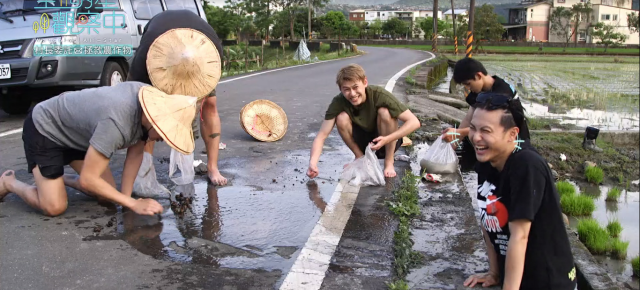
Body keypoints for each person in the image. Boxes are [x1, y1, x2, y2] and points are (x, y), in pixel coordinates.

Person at [0, 82, 199, 217]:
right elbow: (88, 179)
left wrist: (126, 199)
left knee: (107, 194)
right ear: (155, 121)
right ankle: (9, 183)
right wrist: (133, 204)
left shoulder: (152, 103)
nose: (164, 140)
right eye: (165, 134)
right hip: (45, 128)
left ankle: (58, 179)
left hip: (80, 134)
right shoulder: (116, 123)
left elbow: (136, 152)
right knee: (54, 207)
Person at [463, 92, 577, 290]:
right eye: (473, 128)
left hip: (547, 283)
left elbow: (520, 236)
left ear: (512, 135)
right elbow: (488, 219)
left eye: (486, 130)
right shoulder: (487, 160)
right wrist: (494, 273)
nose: (476, 137)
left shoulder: (527, 165)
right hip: (516, 279)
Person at [127, 10, 227, 186]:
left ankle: (212, 167)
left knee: (210, 104)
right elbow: (140, 108)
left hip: (198, 52)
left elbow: (206, 105)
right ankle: (145, 169)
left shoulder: (211, 52)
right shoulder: (146, 60)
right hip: (160, 50)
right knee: (146, 111)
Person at [306, 64, 421, 178]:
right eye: (346, 89)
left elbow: (414, 122)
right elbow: (321, 135)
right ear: (340, 89)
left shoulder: (379, 95)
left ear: (365, 82)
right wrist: (312, 163)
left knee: (385, 112)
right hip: (363, 145)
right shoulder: (338, 102)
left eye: (355, 87)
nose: (352, 94)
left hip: (386, 142)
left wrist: (387, 139)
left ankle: (389, 161)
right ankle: (360, 158)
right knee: (341, 117)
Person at [442, 57, 530, 146]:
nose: (468, 88)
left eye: (468, 84)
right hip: (492, 139)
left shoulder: (502, 92)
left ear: (479, 76)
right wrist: (454, 143)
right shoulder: (478, 91)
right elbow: (468, 118)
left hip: (513, 142)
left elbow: (492, 126)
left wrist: (460, 132)